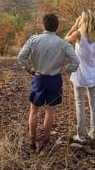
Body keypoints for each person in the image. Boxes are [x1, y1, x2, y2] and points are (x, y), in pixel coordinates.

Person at [17, 13, 79, 150]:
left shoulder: (34, 40)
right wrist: (65, 70)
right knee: (50, 111)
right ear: (56, 27)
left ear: (43, 25)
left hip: (38, 78)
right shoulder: (63, 43)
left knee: (34, 109)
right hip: (55, 80)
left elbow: (21, 56)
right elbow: (76, 61)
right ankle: (46, 140)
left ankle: (32, 138)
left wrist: (28, 69)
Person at [65, 10, 95, 143]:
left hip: (80, 72)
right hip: (93, 71)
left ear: (83, 20)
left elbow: (64, 41)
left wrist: (74, 26)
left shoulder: (78, 34)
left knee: (80, 103)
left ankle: (81, 135)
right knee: (93, 103)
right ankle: (94, 132)